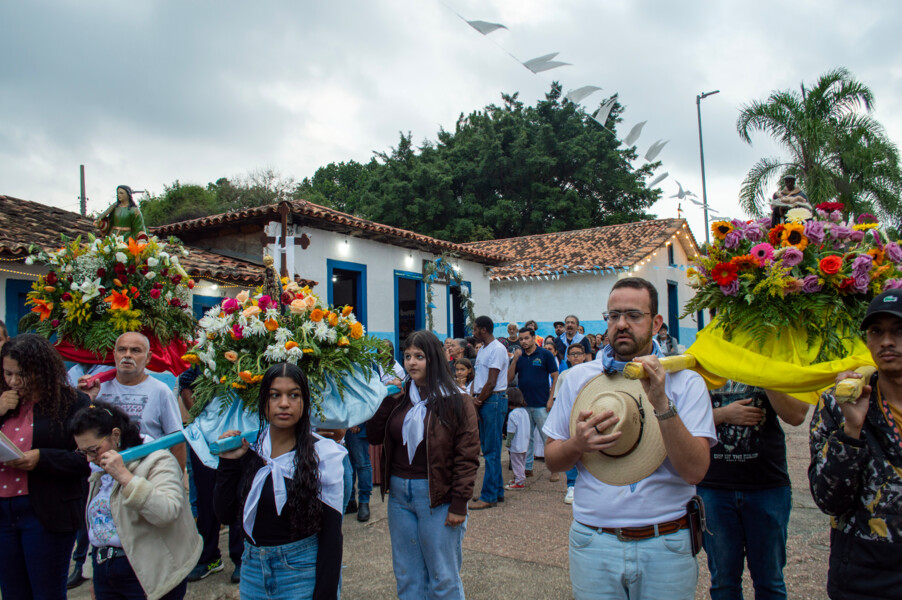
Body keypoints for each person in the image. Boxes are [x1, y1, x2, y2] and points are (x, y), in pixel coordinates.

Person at [544, 277, 716, 599]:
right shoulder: (578, 379)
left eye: (634, 316)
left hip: (666, 541)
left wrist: (662, 404)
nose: (621, 324)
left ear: (656, 322)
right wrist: (577, 445)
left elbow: (695, 471)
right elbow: (552, 459)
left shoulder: (686, 381)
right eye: (613, 315)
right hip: (593, 541)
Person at [214, 363, 346, 599]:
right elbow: (225, 514)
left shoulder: (324, 456)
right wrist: (228, 463)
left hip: (300, 574)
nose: (284, 403)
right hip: (253, 573)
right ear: (264, 402)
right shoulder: (252, 451)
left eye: (293, 395)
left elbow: (332, 537)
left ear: (305, 402)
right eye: (275, 395)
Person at [367, 330, 479, 599]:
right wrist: (387, 399)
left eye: (419, 356)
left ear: (434, 359)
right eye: (407, 356)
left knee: (443, 577)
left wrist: (459, 504)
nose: (411, 363)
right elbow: (373, 435)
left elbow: (467, 456)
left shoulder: (456, 400)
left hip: (437, 496)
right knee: (407, 576)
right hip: (399, 496)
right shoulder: (401, 396)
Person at [809, 289, 902, 599]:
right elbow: (828, 501)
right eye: (877, 331)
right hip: (862, 573)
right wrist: (852, 429)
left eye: (899, 331)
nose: (887, 341)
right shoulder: (837, 403)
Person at [70, 402, 201, 600]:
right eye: (83, 452)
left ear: (115, 435)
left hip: (148, 573)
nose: (89, 459)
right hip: (105, 571)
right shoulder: (99, 471)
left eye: (93, 450)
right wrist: (94, 574)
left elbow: (167, 512)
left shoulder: (157, 460)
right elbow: (98, 525)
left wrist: (125, 478)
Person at [0, 334, 91, 600]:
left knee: (46, 592)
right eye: (8, 373)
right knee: (13, 592)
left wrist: (41, 458)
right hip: (3, 514)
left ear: (42, 370)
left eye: (22, 375)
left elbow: (86, 458)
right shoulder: (4, 398)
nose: (14, 381)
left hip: (45, 512)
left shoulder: (72, 402)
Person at [698, 381, 809, 600]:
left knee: (770, 581)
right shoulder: (702, 357)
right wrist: (723, 414)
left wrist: (763, 373)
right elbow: (678, 419)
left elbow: (796, 415)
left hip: (766, 485)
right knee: (723, 583)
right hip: (714, 486)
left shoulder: (770, 355)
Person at [80, 332, 186, 471]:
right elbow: (82, 435)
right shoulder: (98, 388)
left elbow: (177, 441)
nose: (127, 355)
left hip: (146, 473)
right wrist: (85, 399)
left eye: (135, 350)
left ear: (148, 357)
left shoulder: (161, 391)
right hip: (104, 476)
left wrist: (173, 481)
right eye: (122, 350)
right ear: (114, 354)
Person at [177, 366, 243, 584]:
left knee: (241, 498)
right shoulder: (207, 356)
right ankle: (209, 558)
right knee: (207, 501)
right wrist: (197, 412)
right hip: (206, 440)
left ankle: (241, 559)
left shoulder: (254, 350)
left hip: (241, 437)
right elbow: (185, 381)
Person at [65, 361, 116, 589]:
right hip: (102, 558)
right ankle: (83, 564)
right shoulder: (72, 374)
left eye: (92, 451)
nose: (88, 457)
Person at [507, 327, 558, 480]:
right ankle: (527, 468)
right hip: (523, 404)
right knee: (526, 438)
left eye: (526, 338)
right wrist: (515, 359)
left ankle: (554, 469)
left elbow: (555, 376)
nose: (523, 341)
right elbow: (509, 379)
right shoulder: (519, 357)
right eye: (521, 339)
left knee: (547, 438)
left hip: (541, 403)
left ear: (534, 337)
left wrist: (551, 398)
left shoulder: (545, 354)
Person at [469, 316, 509, 510]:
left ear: (483, 330)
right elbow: (479, 377)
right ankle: (497, 491)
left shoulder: (497, 349)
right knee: (490, 447)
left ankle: (489, 496)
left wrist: (478, 401)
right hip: (485, 399)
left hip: (492, 400)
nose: (473, 332)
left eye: (475, 329)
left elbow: (491, 381)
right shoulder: (484, 349)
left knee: (492, 451)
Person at [550, 343, 591, 504]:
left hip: (587, 415)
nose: (575, 357)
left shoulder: (592, 373)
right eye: (572, 354)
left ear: (584, 356)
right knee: (571, 449)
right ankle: (572, 485)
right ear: (567, 357)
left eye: (578, 354)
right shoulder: (564, 375)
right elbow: (558, 398)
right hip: (570, 417)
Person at [505, 389, 530, 490]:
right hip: (524, 442)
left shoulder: (513, 414)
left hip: (516, 444)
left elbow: (511, 431)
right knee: (522, 462)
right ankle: (519, 478)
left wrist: (508, 442)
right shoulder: (524, 412)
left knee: (516, 463)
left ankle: (519, 481)